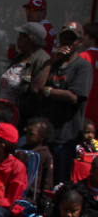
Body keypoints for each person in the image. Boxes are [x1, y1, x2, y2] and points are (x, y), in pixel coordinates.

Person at [37, 23, 92, 185]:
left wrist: (48, 91)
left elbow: (74, 97)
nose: (67, 42)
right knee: (40, 179)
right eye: (65, 38)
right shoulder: (54, 63)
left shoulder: (83, 67)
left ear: (79, 42)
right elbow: (37, 87)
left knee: (60, 180)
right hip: (46, 133)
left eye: (72, 39)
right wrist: (51, 61)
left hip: (66, 136)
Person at [0, 22, 49, 117]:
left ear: (31, 39)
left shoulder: (42, 60)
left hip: (18, 117)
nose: (18, 39)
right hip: (1, 113)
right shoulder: (20, 57)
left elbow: (34, 91)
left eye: (21, 36)